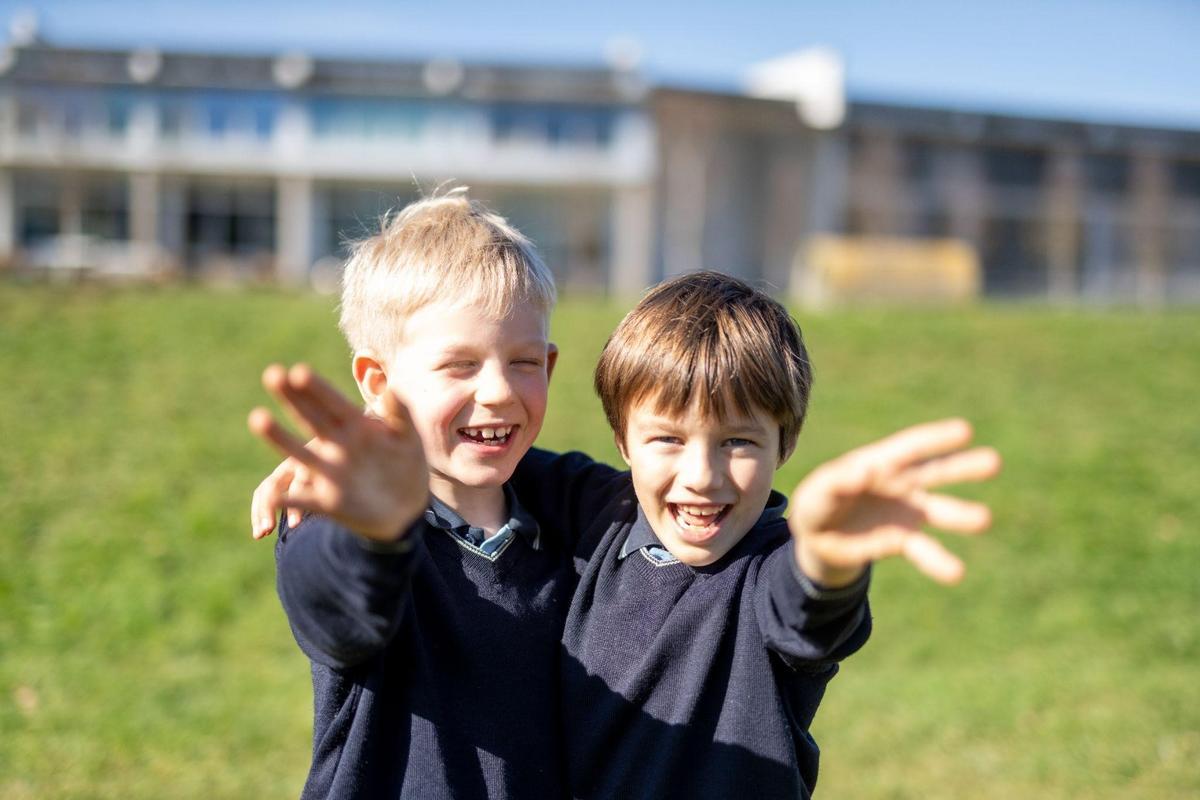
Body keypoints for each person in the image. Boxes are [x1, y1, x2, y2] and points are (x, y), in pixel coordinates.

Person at [253, 262, 1000, 797]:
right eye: (668, 440)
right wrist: (367, 514)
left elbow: (806, 615)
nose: (702, 476)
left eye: (739, 443)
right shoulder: (577, 512)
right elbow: (337, 608)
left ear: (786, 445)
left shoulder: (743, 552)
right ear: (623, 440)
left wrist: (825, 559)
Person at [246, 188, 573, 798]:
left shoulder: (567, 506)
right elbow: (334, 613)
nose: (500, 391)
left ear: (550, 366)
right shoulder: (337, 508)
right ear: (377, 382)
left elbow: (676, 494)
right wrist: (376, 532)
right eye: (460, 364)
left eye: (524, 361)